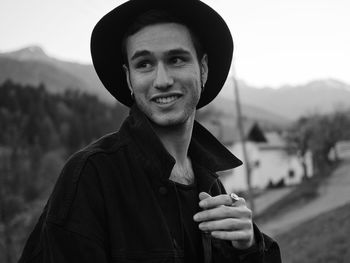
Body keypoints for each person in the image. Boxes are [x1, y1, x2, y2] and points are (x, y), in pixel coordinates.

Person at [19, 0, 281, 262]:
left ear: (202, 69)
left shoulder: (212, 187)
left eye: (176, 59)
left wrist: (249, 247)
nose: (163, 80)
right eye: (144, 64)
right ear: (128, 78)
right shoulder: (91, 176)